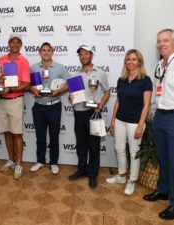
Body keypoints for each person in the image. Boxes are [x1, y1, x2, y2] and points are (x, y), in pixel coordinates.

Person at [106, 49, 152, 195]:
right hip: (120, 120)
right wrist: (113, 120)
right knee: (119, 148)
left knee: (134, 153)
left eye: (134, 59)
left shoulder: (145, 80)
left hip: (135, 122)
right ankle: (121, 176)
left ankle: (132, 181)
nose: (130, 62)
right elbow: (118, 101)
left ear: (139, 62)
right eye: (128, 59)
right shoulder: (122, 80)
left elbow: (146, 105)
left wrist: (140, 125)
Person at [68, 44, 110, 189]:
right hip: (78, 112)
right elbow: (72, 94)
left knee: (94, 146)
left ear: (91, 55)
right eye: (81, 54)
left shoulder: (100, 73)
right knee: (81, 144)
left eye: (86, 53)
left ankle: (93, 175)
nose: (84, 56)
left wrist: (101, 104)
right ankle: (82, 169)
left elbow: (107, 91)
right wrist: (71, 97)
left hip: (94, 113)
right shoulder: (75, 74)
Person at [143, 29, 174, 220]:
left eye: (166, 41)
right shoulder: (159, 66)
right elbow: (158, 93)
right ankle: (162, 190)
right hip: (160, 117)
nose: (161, 44)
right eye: (159, 41)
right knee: (163, 159)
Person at [29, 42, 70, 174]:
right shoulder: (34, 67)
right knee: (40, 136)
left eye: (48, 50)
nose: (46, 53)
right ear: (39, 52)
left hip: (54, 106)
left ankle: (53, 162)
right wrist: (32, 90)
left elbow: (69, 84)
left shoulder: (60, 68)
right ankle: (40, 161)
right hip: (39, 107)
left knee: (54, 136)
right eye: (43, 50)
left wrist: (60, 92)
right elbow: (28, 84)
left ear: (52, 52)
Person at [0, 33, 30, 180]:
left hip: (16, 100)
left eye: (18, 42)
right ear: (8, 43)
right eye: (12, 42)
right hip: (2, 100)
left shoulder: (23, 61)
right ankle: (10, 159)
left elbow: (26, 84)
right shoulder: (0, 59)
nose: (15, 44)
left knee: (16, 133)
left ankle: (19, 164)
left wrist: (10, 89)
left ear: (20, 45)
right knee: (6, 132)